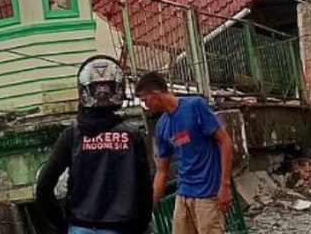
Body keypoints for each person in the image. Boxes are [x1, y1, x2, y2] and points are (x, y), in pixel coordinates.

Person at [36, 55, 153, 234]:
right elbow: (145, 189)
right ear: (118, 89)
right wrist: (141, 226)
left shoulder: (72, 134)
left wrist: (62, 225)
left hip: (80, 227)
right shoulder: (132, 135)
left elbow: (43, 187)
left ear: (84, 91)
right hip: (122, 227)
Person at [135, 71, 234, 234]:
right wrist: (149, 207)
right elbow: (162, 171)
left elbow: (225, 142)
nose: (146, 105)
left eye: (145, 100)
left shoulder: (195, 106)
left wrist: (225, 186)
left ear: (155, 94)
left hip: (208, 195)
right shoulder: (162, 126)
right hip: (183, 194)